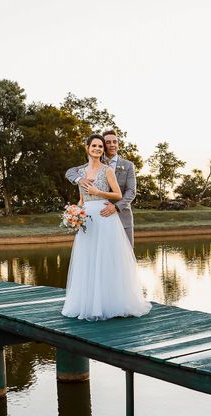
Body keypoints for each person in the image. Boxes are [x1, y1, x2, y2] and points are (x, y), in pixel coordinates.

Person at [61, 134, 151, 321]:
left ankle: (114, 302)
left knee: (110, 260)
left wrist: (99, 193)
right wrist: (74, 212)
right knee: (89, 260)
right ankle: (90, 303)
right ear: (87, 148)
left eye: (100, 146)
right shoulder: (80, 172)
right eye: (94, 145)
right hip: (87, 218)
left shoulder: (110, 169)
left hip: (106, 216)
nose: (98, 148)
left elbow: (120, 194)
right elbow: (80, 194)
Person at [65, 129, 137, 247]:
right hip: (99, 218)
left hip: (122, 217)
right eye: (108, 142)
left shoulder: (128, 165)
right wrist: (80, 179)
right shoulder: (94, 161)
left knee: (125, 257)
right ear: (104, 145)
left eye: (115, 142)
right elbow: (70, 172)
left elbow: (131, 192)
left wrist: (116, 207)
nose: (112, 145)